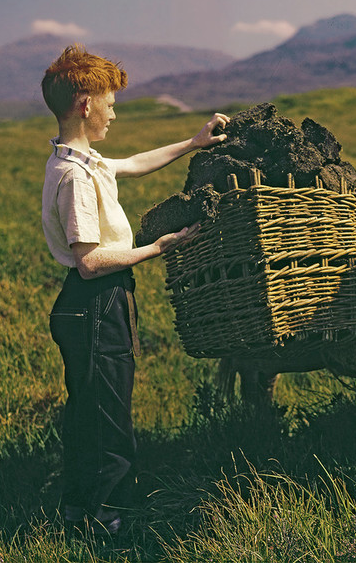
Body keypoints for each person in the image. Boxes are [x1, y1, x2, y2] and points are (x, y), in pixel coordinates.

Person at [41, 44, 229, 534]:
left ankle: (79, 511)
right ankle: (113, 523)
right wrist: (157, 248)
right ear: (85, 104)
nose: (114, 109)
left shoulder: (83, 162)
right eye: (109, 100)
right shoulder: (74, 177)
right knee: (108, 418)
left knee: (90, 412)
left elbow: (138, 162)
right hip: (95, 301)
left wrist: (192, 143)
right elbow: (89, 262)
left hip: (91, 305)